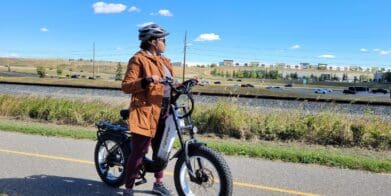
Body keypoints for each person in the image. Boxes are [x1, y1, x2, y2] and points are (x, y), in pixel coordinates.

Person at [121, 24, 174, 196]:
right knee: (139, 152)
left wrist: (187, 83)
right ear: (152, 41)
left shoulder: (164, 61)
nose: (165, 43)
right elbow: (126, 86)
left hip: (163, 111)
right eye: (163, 39)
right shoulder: (138, 59)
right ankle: (128, 189)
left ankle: (158, 184)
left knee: (161, 151)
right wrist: (146, 80)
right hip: (145, 111)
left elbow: (167, 85)